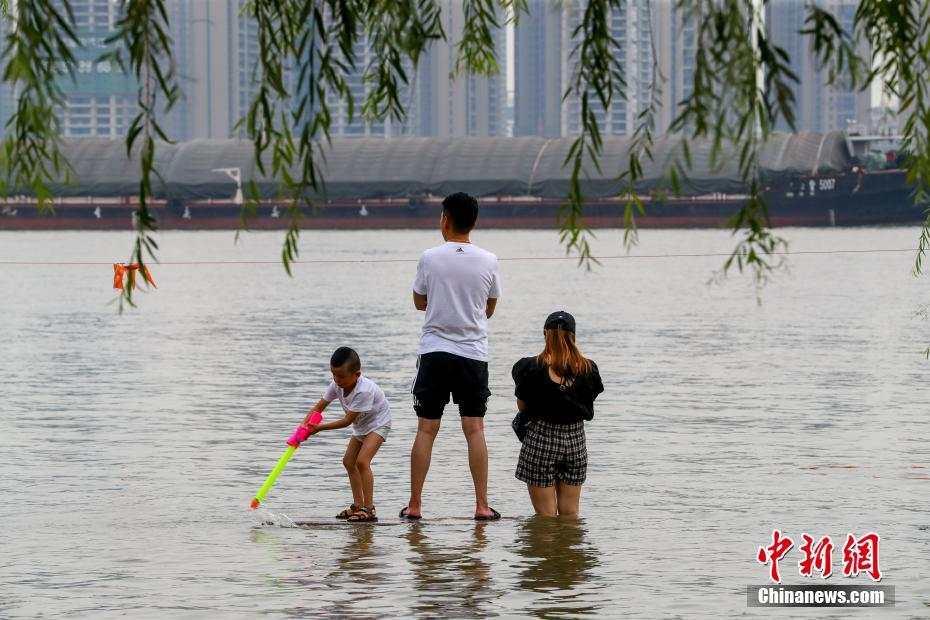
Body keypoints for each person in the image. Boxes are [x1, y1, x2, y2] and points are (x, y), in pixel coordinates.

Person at [401, 192, 503, 521]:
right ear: (473, 221)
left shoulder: (429, 257)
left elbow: (419, 302)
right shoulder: (489, 259)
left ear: (445, 219)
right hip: (473, 354)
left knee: (426, 430)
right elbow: (489, 308)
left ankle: (415, 505)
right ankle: (482, 506)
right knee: (475, 429)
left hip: (434, 352)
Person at [512, 311, 603, 517]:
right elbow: (588, 401)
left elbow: (522, 406)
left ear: (545, 334)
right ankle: (569, 548)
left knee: (545, 518)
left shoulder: (530, 368)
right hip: (575, 441)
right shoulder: (588, 369)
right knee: (571, 514)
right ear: (574, 337)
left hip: (541, 439)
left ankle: (549, 548)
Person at [304, 346, 391, 522]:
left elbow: (347, 421)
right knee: (348, 461)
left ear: (357, 375)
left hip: (378, 423)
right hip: (362, 425)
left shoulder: (363, 391)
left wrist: (318, 429)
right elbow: (319, 407)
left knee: (362, 461)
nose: (337, 380)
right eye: (333, 375)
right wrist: (304, 426)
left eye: (341, 376)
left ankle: (369, 508)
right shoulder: (337, 384)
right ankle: (357, 506)